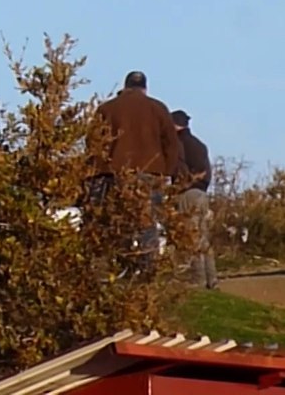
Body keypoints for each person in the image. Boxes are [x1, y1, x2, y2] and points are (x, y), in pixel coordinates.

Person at [87, 70, 182, 269]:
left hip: (115, 172)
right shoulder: (158, 108)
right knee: (147, 222)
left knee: (116, 219)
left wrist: (96, 171)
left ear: (125, 87)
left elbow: (93, 143)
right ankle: (147, 269)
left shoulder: (107, 109)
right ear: (145, 88)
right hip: (151, 173)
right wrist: (168, 173)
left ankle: (118, 267)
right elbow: (172, 145)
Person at [172, 109, 217, 290]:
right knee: (203, 238)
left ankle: (197, 279)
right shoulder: (199, 144)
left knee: (190, 238)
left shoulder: (178, 144)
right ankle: (211, 280)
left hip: (187, 193)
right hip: (201, 193)